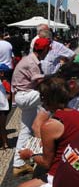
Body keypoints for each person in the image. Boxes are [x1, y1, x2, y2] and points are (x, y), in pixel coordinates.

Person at [1, 77, 79, 187]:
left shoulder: (50, 125)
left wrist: (29, 155)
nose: (41, 100)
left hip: (59, 177)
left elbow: (47, 163)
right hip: (74, 170)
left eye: (42, 96)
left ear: (49, 99)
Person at [11, 37, 51, 176]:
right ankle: (45, 153)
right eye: (48, 50)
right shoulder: (32, 62)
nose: (48, 52)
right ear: (44, 49)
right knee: (52, 95)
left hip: (23, 96)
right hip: (25, 96)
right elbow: (40, 81)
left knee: (26, 129)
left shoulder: (30, 58)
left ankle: (18, 164)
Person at [0, 64, 11, 149]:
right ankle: (4, 142)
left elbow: (8, 95)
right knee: (2, 126)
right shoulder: (4, 82)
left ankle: (4, 142)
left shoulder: (4, 82)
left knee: (2, 126)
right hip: (2, 107)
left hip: (2, 107)